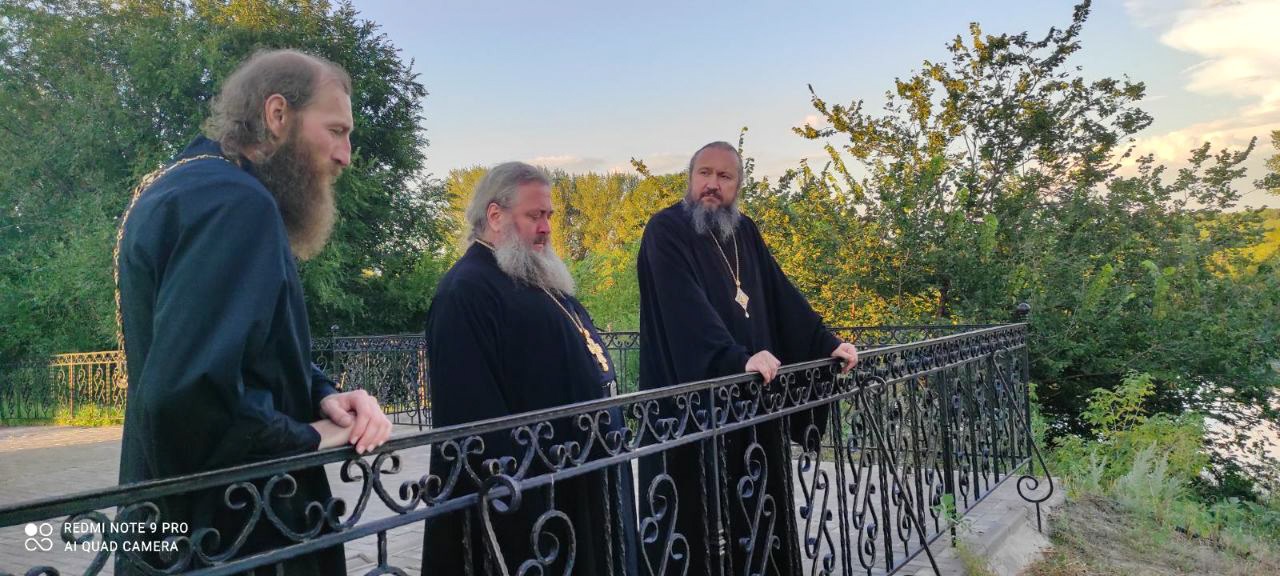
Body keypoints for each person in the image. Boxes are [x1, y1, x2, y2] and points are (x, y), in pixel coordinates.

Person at [115, 49, 392, 575]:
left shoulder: (183, 185)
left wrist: (323, 394)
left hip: (170, 527)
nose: (346, 155)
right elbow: (192, 396)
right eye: (336, 131)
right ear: (278, 114)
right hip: (238, 534)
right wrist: (317, 435)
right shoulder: (237, 203)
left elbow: (239, 351)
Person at [635, 141, 858, 575]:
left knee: (758, 513)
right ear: (690, 177)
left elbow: (779, 292)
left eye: (724, 176)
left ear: (738, 185)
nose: (712, 184)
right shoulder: (666, 230)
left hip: (753, 403)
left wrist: (825, 342)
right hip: (692, 409)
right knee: (698, 521)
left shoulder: (745, 231)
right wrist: (734, 359)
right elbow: (683, 308)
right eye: (704, 173)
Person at [421, 162, 638, 575]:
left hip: (582, 474)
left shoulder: (532, 275)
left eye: (549, 215)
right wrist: (521, 499)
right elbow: (473, 420)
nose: (546, 228)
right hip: (536, 497)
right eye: (534, 215)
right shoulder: (465, 292)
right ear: (495, 215)